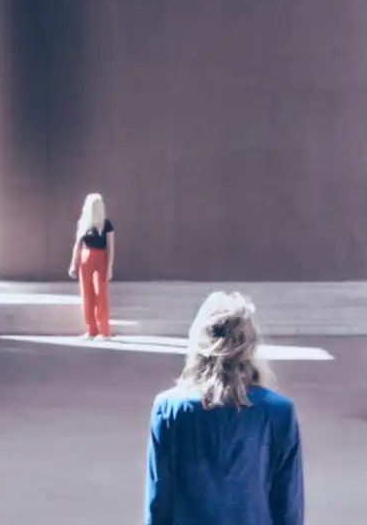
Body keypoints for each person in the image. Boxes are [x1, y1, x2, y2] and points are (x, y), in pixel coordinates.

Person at [145, 291, 304, 525]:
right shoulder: (279, 412)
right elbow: (288, 506)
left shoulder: (169, 409)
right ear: (250, 345)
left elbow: (158, 501)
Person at [67, 193, 115, 338]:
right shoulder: (83, 223)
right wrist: (73, 264)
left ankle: (104, 331)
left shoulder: (106, 224)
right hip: (85, 259)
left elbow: (111, 247)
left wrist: (110, 267)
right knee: (87, 294)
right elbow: (77, 245)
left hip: (100, 259)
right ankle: (91, 330)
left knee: (101, 294)